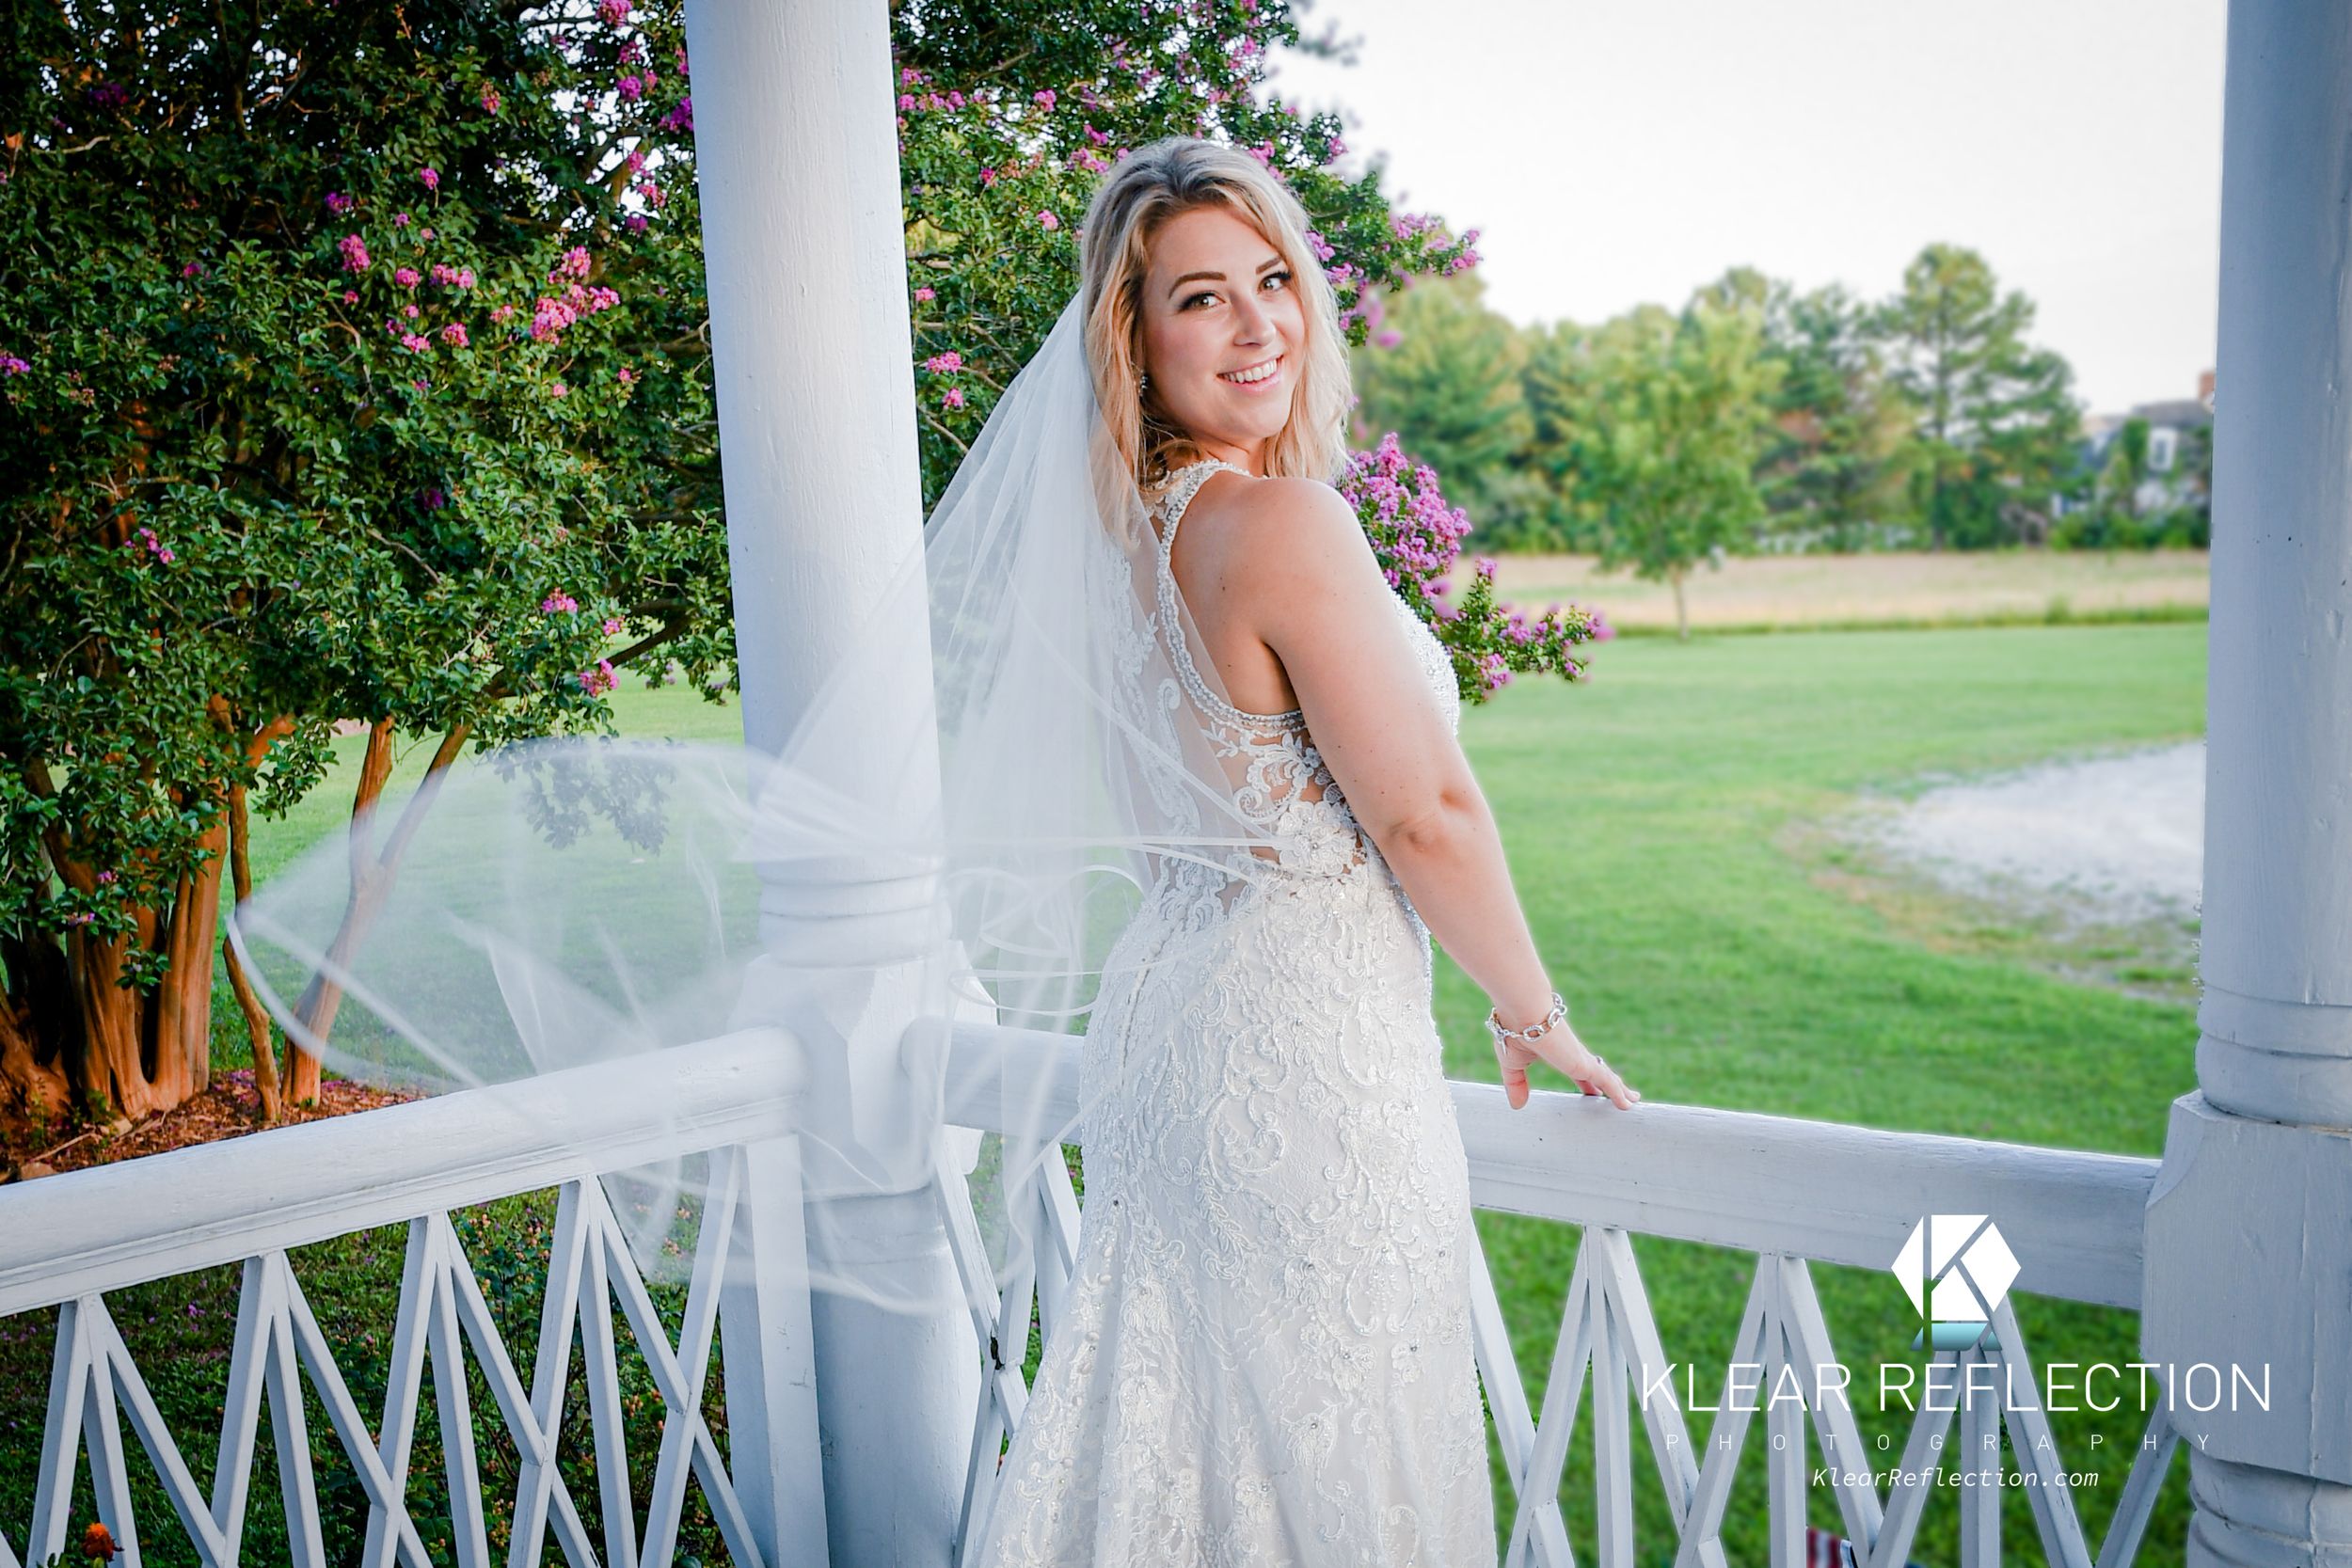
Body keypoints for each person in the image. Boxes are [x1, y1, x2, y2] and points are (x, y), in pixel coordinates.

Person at [964, 135, 1640, 1568]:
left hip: (1165, 1035)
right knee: (1334, 1449)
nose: (1257, 323)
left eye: (1272, 280)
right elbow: (1424, 811)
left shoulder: (1118, 543)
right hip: (1303, 1058)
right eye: (1200, 297)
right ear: (1133, 341)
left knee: (1190, 1442)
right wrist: (1532, 1012)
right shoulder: (1278, 522)